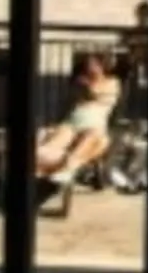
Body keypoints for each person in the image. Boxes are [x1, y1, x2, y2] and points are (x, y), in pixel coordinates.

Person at [36, 52, 119, 184]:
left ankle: (68, 168)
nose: (89, 67)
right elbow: (76, 95)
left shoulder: (111, 82)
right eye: (88, 64)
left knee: (91, 138)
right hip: (73, 121)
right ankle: (43, 166)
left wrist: (87, 85)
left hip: (93, 124)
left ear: (102, 66)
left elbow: (97, 92)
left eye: (93, 64)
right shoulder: (81, 81)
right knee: (56, 140)